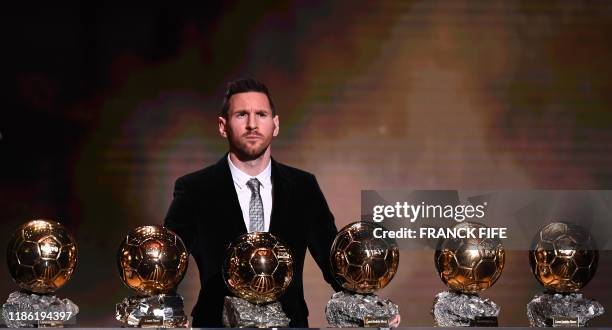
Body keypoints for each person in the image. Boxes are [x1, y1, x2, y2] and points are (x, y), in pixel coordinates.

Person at [163, 78, 342, 327]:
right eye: (241, 115)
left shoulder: (304, 187)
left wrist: (367, 305)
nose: (252, 124)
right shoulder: (194, 189)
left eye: (261, 114)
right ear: (223, 126)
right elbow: (167, 263)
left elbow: (336, 262)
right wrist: (163, 314)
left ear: (275, 124)